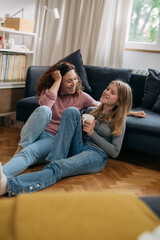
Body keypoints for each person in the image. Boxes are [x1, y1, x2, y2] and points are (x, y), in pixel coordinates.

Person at [0, 79, 133, 196]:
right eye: (107, 88)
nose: (107, 92)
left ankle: (8, 185)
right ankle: (56, 160)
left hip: (95, 154)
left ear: (119, 101)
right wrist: (80, 126)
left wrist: (93, 133)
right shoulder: (92, 110)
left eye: (112, 92)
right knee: (72, 111)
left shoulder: (120, 120)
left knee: (58, 168)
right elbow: (76, 131)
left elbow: (115, 152)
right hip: (80, 146)